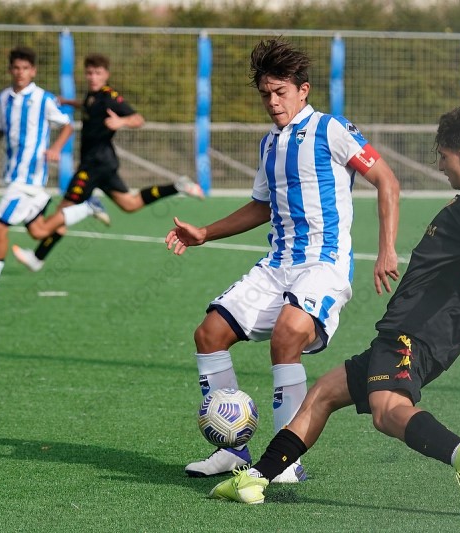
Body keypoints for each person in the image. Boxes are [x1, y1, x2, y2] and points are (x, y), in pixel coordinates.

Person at [208, 106, 460, 518]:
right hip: (415, 330)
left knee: (386, 411)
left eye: (442, 156)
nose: (440, 165)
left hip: (415, 330)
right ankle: (256, 479)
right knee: (324, 393)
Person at [164, 38, 401, 482]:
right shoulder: (269, 144)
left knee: (288, 332)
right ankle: (232, 450)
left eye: (280, 92)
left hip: (323, 264)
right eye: (266, 95)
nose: (273, 102)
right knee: (209, 333)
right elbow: (262, 206)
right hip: (277, 265)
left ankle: (284, 460)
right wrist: (205, 233)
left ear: (303, 90)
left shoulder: (332, 129)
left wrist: (386, 248)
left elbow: (387, 181)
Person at [12, 52, 204, 273]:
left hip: (93, 165)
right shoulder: (92, 96)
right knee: (130, 204)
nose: (93, 77)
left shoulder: (110, 97)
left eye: (98, 73)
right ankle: (178, 186)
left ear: (106, 75)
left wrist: (121, 121)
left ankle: (41, 254)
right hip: (104, 164)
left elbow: (138, 119)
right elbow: (89, 107)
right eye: (89, 73)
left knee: (63, 210)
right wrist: (69, 102)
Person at [0, 46, 105, 294]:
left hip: (28, 177)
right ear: (10, 70)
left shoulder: (43, 99)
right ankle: (88, 207)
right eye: (16, 68)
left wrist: (56, 148)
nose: (20, 72)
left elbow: (67, 126)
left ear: (33, 71)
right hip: (13, 174)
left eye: (25, 68)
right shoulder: (3, 98)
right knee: (39, 231)